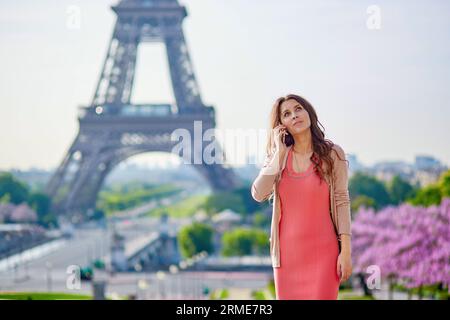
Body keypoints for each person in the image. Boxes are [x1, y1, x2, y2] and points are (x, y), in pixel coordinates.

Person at [251, 94, 352, 299]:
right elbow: (258, 194)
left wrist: (346, 251)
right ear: (281, 125)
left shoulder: (333, 154)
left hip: (325, 254)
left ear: (308, 113)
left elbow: (342, 201)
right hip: (287, 257)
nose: (295, 115)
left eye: (298, 109)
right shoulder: (277, 159)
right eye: (287, 114)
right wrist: (279, 154)